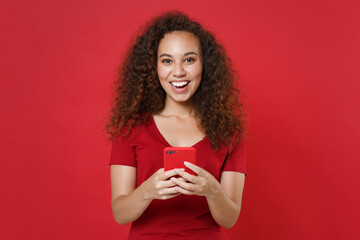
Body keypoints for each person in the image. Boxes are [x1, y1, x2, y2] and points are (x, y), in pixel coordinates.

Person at [105, 11, 247, 240]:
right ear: (154, 68)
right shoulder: (131, 128)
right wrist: (148, 190)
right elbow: (120, 214)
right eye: (167, 60)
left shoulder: (228, 131)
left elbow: (229, 219)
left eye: (189, 59)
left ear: (205, 65)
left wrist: (212, 190)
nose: (178, 71)